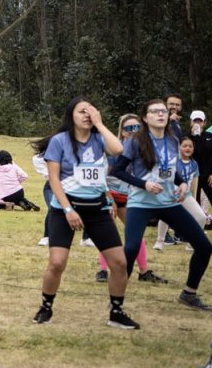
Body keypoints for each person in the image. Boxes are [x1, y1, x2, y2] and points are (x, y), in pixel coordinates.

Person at [32, 97, 139, 329]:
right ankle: (46, 306)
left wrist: (100, 124)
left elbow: (119, 149)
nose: (87, 115)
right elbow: (54, 180)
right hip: (65, 210)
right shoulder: (59, 141)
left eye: (91, 112)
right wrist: (69, 210)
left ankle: (116, 312)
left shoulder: (99, 139)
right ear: (71, 115)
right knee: (57, 263)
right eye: (82, 111)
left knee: (119, 263)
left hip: (97, 210)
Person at [113, 99, 212, 312]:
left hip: (168, 203)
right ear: (145, 118)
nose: (160, 114)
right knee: (130, 249)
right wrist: (144, 184)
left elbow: (171, 169)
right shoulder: (136, 141)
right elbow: (118, 171)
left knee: (204, 247)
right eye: (155, 111)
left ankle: (189, 293)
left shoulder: (172, 139)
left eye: (163, 111)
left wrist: (183, 182)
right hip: (141, 203)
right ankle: (116, 303)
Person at [100, 114, 167, 284]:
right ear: (122, 132)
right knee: (108, 233)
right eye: (128, 128)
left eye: (137, 127)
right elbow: (101, 177)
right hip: (109, 194)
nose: (133, 131)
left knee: (135, 235)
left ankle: (144, 271)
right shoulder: (112, 150)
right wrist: (109, 200)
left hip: (130, 196)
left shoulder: (145, 150)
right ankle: (102, 270)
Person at [189, 110, 212, 218]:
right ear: (191, 122)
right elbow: (194, 152)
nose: (197, 123)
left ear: (204, 122)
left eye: (200, 121)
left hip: (208, 175)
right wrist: (195, 136)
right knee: (194, 202)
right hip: (193, 175)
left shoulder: (209, 136)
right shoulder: (186, 137)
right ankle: (196, 226)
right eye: (195, 121)